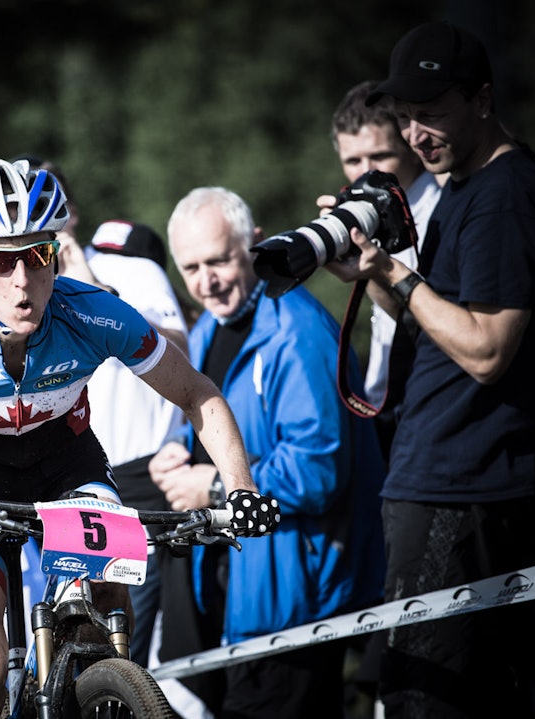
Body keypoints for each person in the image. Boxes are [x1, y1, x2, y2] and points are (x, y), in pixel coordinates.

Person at [0, 158, 279, 718]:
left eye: (38, 255)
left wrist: (239, 488)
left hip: (67, 468)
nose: (22, 280)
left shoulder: (95, 315)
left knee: (108, 625)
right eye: (0, 260)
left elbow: (200, 395)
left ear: (58, 254)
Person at [322, 21, 535, 717]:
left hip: (464, 488)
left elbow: (488, 347)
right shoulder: (462, 184)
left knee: (426, 700)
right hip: (446, 481)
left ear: (483, 100)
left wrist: (394, 276)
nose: (415, 132)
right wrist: (366, 273)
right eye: (405, 115)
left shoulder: (505, 194)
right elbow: (433, 326)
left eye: (431, 112)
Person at [150, 186, 386, 719]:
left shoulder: (297, 333)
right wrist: (177, 452)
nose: (205, 282)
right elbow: (218, 426)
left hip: (294, 597)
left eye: (219, 261)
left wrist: (210, 485)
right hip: (241, 595)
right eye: (190, 268)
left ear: (254, 244)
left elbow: (318, 468)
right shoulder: (209, 327)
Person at [78, 219, 189, 668]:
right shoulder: (48, 274)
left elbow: (177, 344)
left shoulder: (130, 264)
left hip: (137, 477)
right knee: (89, 641)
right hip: (80, 480)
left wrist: (98, 293)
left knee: (124, 646)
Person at [330, 79, 443, 461]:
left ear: (411, 149)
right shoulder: (368, 217)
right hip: (391, 412)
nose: (365, 173)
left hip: (438, 423)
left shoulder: (443, 211)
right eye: (352, 161)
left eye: (379, 157)